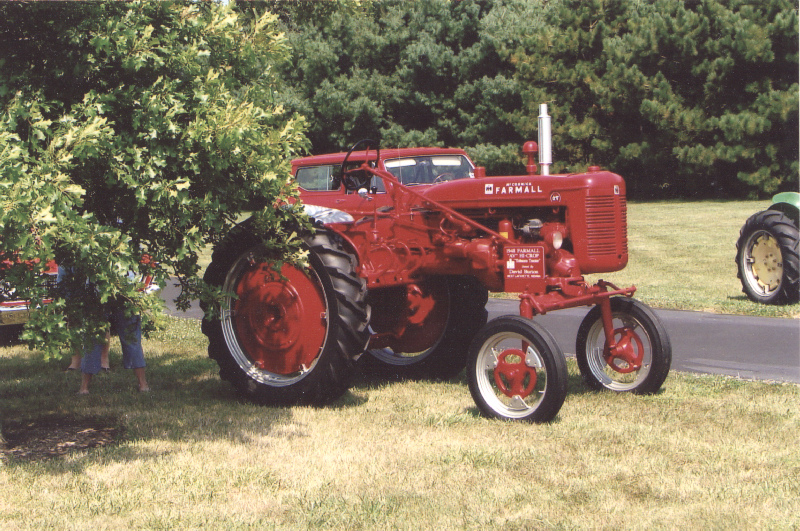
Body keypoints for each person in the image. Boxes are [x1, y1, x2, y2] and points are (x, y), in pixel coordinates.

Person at [77, 298, 149, 395]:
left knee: (93, 337)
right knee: (131, 337)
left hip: (100, 293)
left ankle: (84, 387)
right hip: (122, 293)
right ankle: (143, 384)